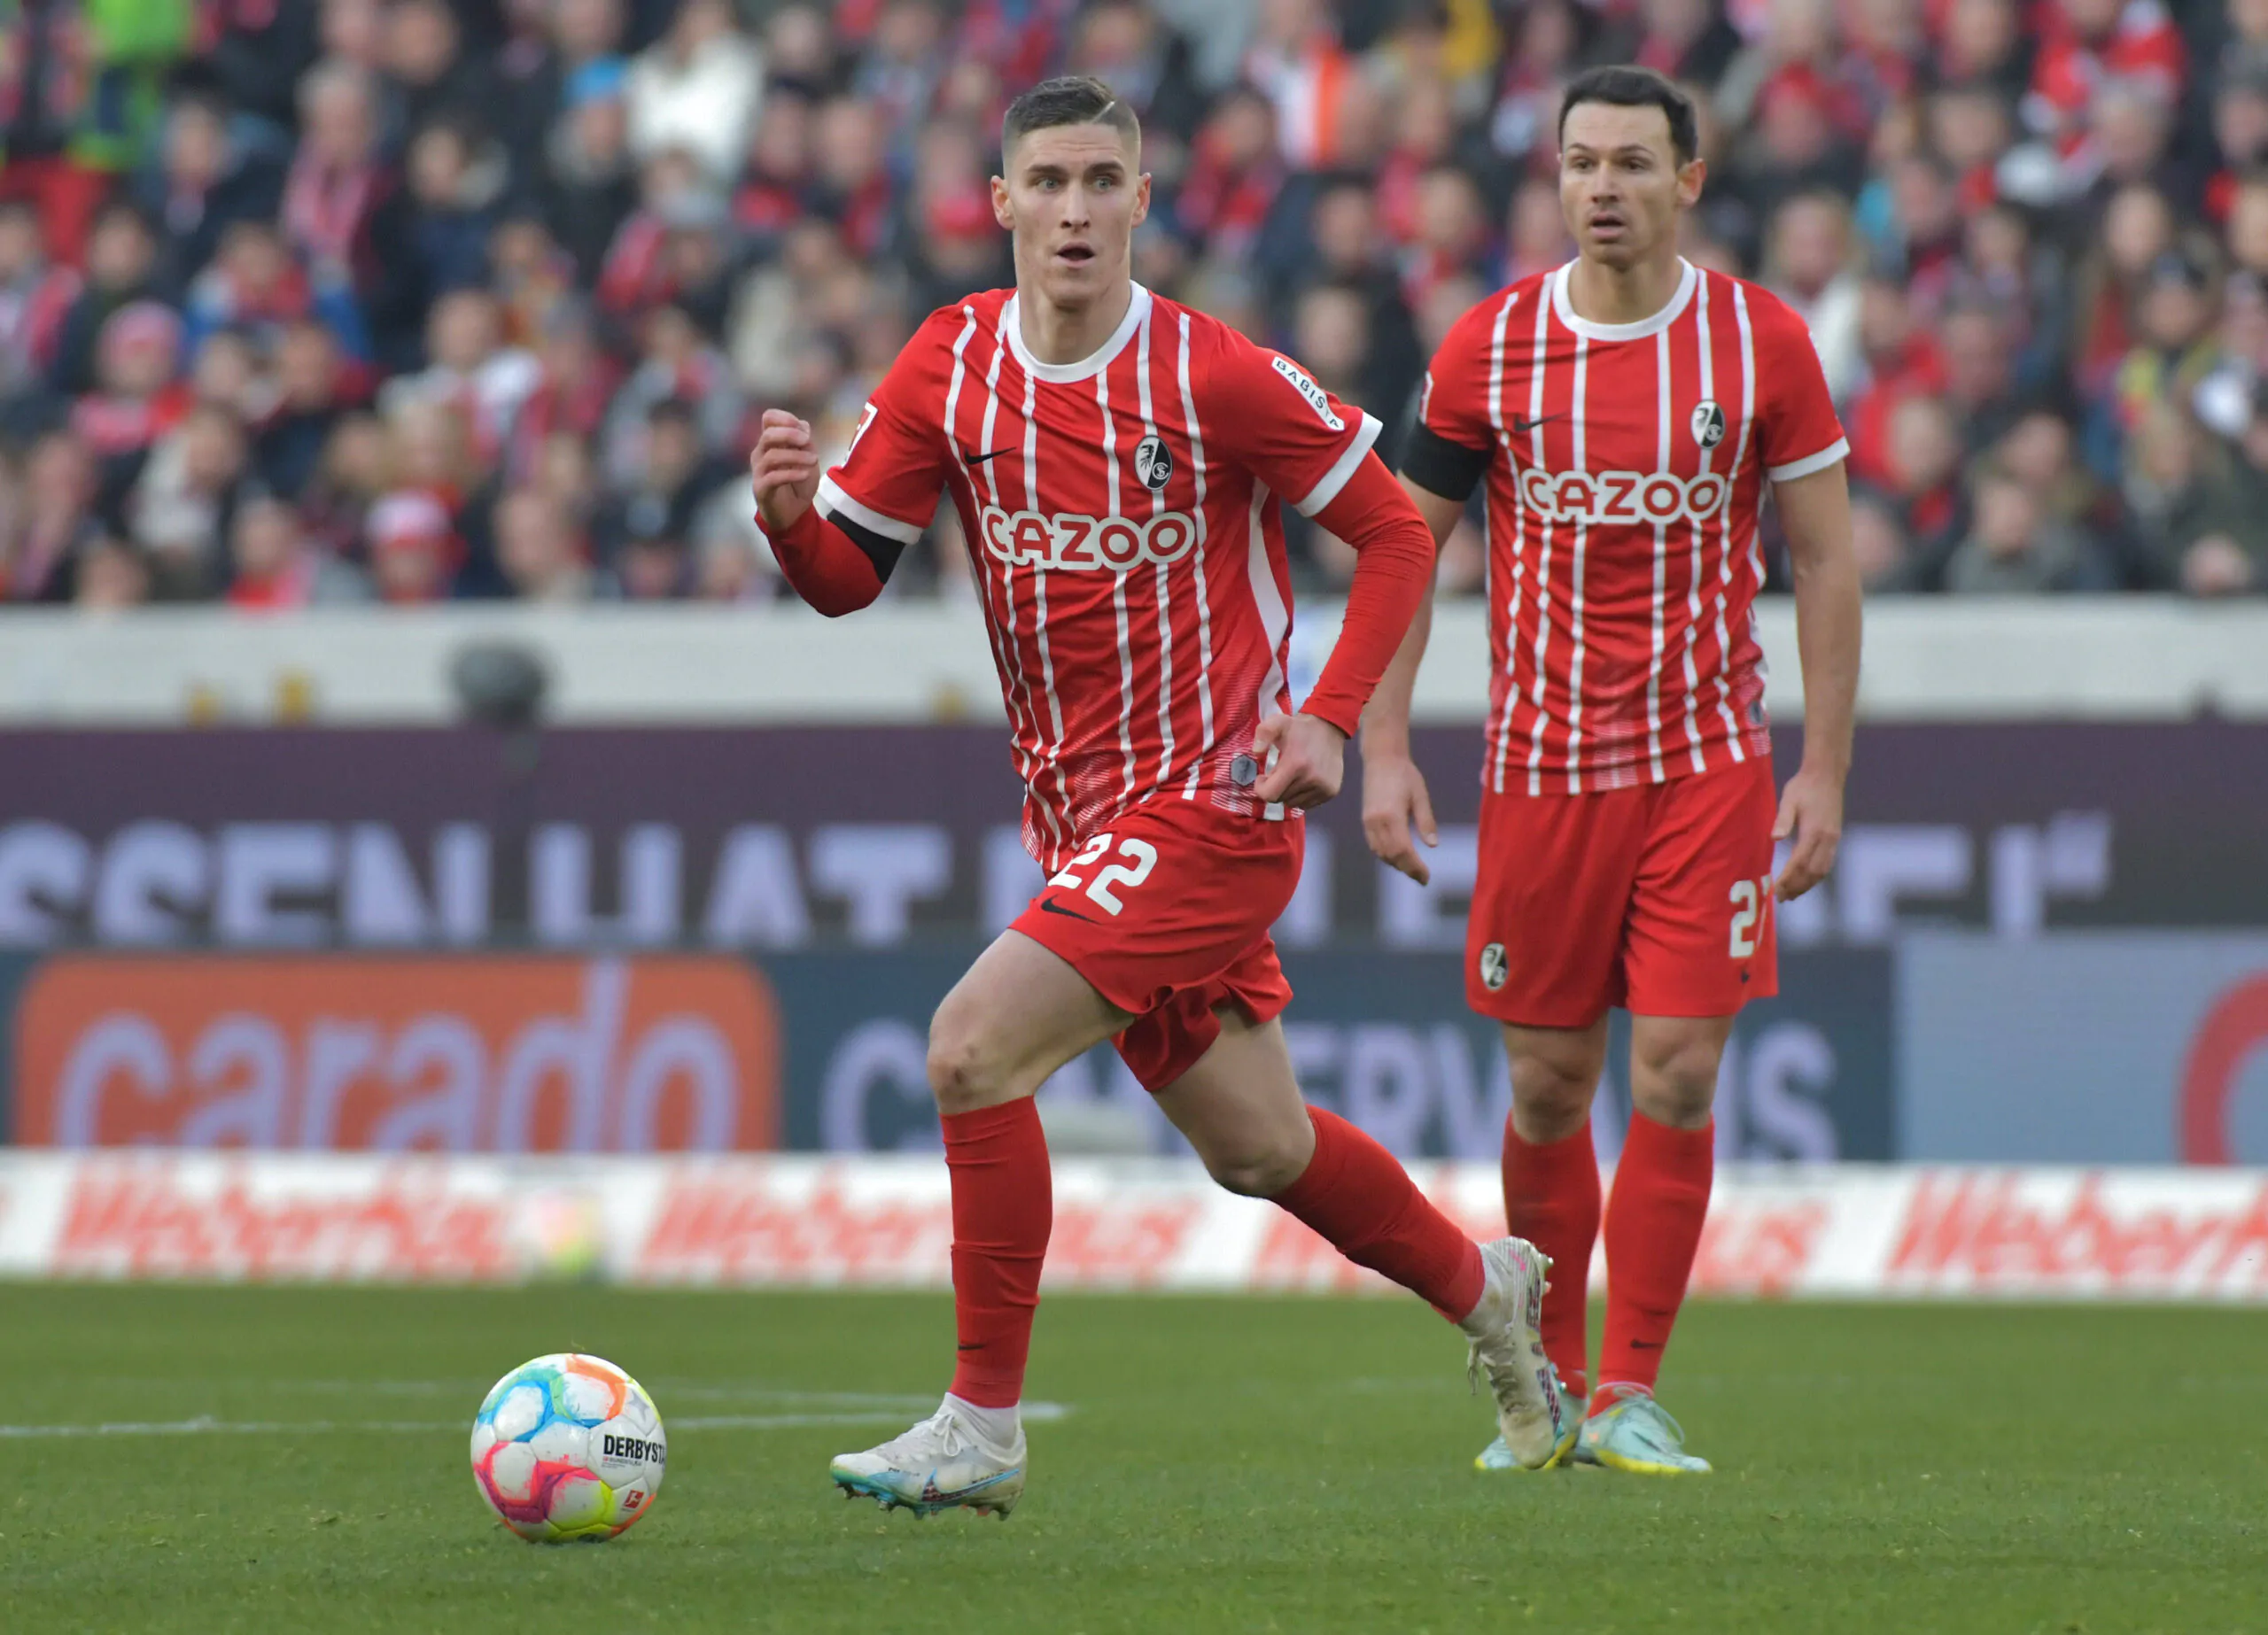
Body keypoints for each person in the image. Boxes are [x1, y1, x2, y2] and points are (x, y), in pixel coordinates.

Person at [749, 74, 1569, 1518]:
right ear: (1000, 203)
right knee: (1262, 1146)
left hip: (1215, 803)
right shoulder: (949, 365)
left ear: (1142, 201)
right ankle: (1486, 1289)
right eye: (1046, 182)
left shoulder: (1211, 373)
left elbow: (1391, 533)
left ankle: (981, 1423)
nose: (1074, 210)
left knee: (969, 1051)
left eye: (1100, 183)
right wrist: (790, 520)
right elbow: (844, 583)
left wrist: (1330, 722)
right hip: (1082, 817)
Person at [1360, 66, 1862, 1477]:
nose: (1602, 187)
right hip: (1541, 770)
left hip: (1708, 764)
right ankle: (1554, 1383)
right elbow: (1410, 545)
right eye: (1581, 161)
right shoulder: (1490, 348)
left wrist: (1821, 770)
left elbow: (1824, 560)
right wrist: (1382, 742)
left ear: (1688, 180)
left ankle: (1633, 1384)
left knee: (1686, 1071)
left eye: (1634, 163)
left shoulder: (1762, 344)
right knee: (1544, 1086)